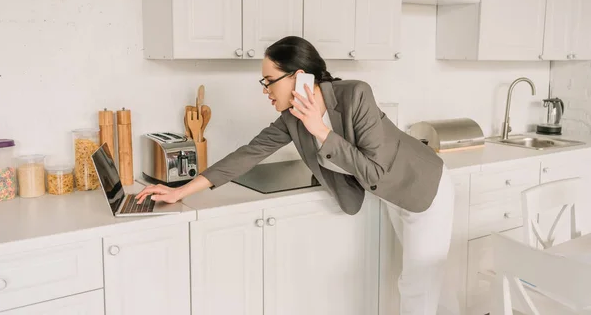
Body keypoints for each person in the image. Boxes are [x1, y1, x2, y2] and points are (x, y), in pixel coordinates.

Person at [136, 36, 455, 315]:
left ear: (299, 77)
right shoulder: (291, 119)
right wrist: (181, 192)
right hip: (392, 195)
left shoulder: (356, 95)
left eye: (268, 80)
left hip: (423, 187)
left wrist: (320, 130)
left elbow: (376, 171)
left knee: (417, 285)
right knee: (424, 281)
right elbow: (249, 153)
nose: (265, 91)